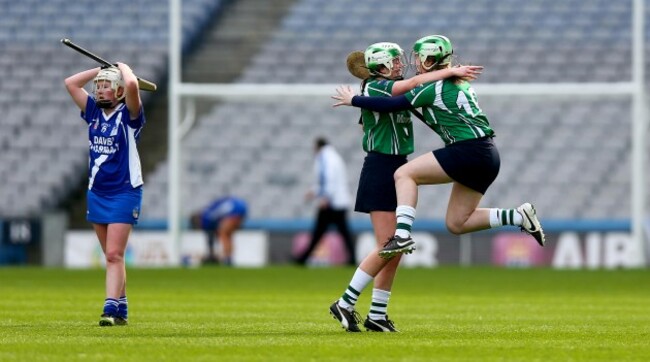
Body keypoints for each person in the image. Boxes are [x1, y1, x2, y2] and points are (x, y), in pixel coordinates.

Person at [332, 33, 545, 304]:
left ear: (431, 59)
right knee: (457, 223)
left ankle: (398, 238)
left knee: (405, 175)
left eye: (419, 58)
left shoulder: (430, 86)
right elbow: (394, 96)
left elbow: (397, 99)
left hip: (468, 151)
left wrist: (356, 100)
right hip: (487, 155)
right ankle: (517, 216)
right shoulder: (449, 81)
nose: (411, 63)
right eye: (397, 61)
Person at [327, 42, 484, 332]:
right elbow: (412, 83)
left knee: (394, 249)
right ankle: (345, 302)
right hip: (380, 168)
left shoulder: (390, 88)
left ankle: (377, 315)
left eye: (400, 59)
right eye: (395, 61)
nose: (401, 64)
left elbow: (411, 91)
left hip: (397, 164)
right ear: (380, 66)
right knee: (389, 246)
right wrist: (451, 70)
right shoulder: (376, 88)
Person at [64, 63, 146, 327]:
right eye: (97, 87)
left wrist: (123, 68)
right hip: (97, 192)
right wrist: (99, 69)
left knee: (113, 254)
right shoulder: (92, 113)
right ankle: (121, 308)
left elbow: (133, 85)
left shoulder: (130, 117)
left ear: (119, 91)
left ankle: (109, 309)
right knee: (112, 257)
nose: (99, 91)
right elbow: (71, 83)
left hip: (125, 191)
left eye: (105, 86)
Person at [295, 137, 356, 266]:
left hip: (332, 203)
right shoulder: (334, 157)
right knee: (342, 233)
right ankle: (352, 259)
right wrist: (314, 191)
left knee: (318, 232)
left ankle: (303, 259)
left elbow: (328, 179)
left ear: (318, 146)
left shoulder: (325, 158)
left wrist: (325, 197)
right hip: (340, 201)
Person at [191, 196, 248, 266]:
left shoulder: (206, 217)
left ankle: (227, 259)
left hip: (235, 210)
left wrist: (211, 253)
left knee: (223, 233)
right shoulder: (209, 210)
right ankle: (229, 258)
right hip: (240, 207)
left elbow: (210, 235)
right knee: (228, 235)